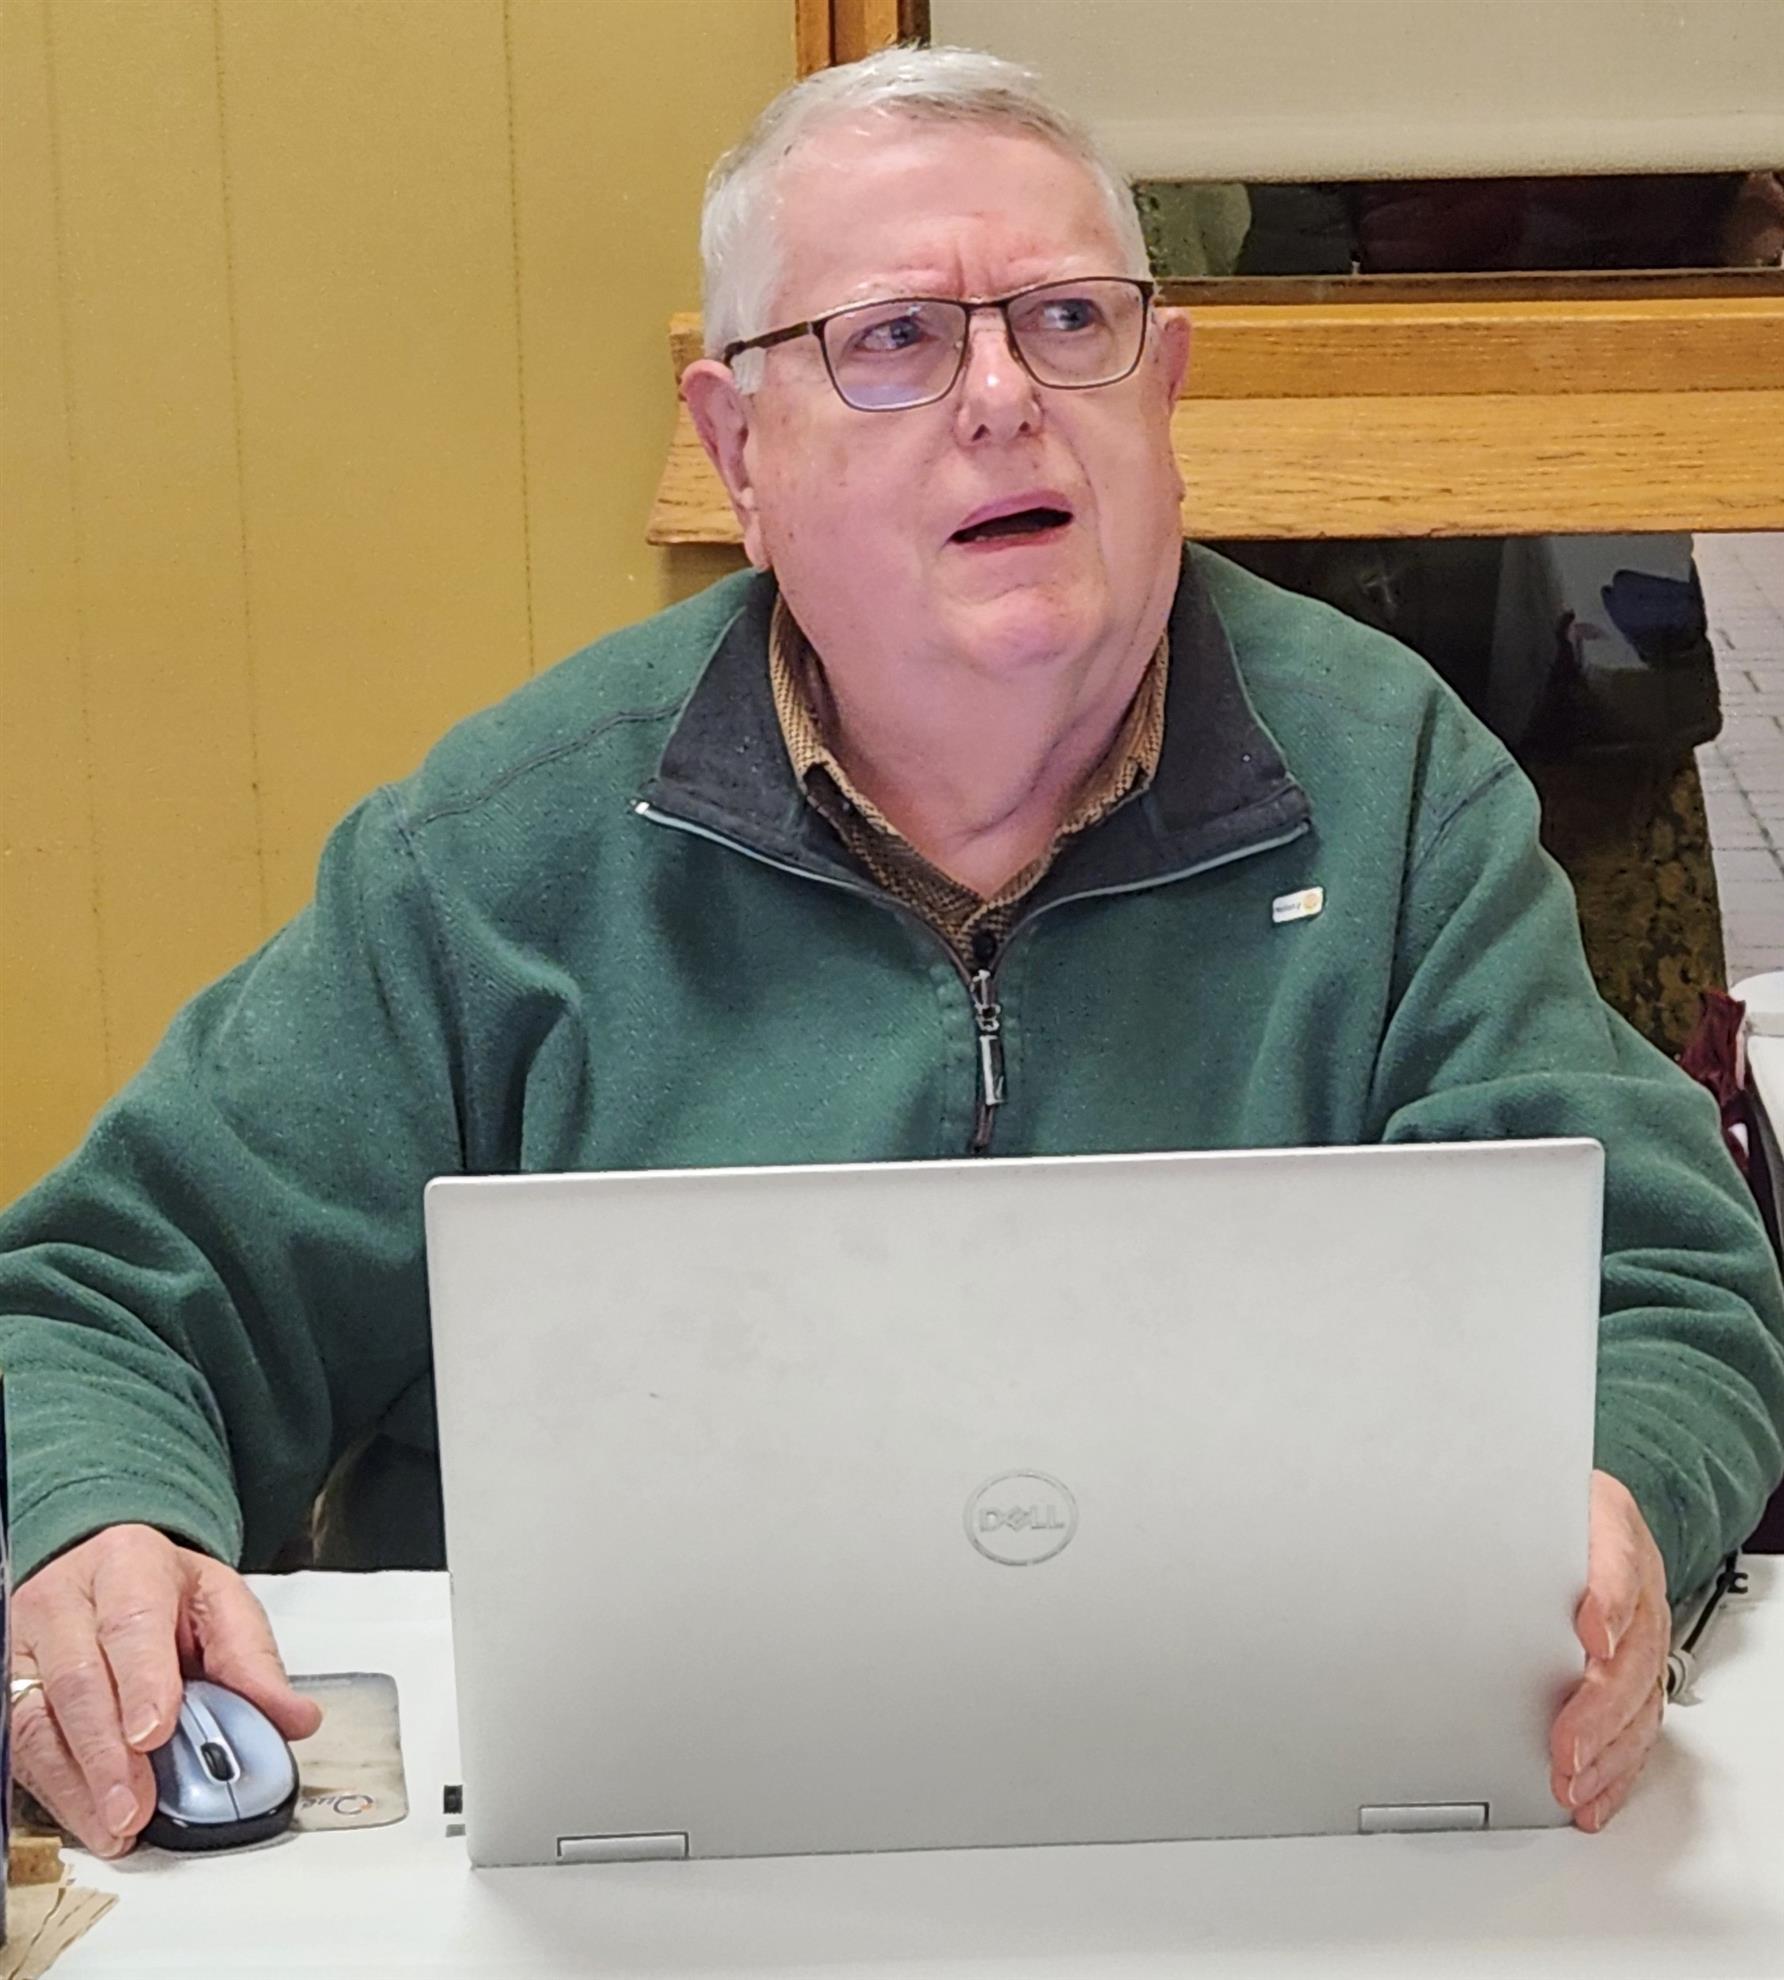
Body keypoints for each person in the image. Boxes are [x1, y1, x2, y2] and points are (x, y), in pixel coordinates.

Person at [2, 45, 1781, 1862]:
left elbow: (1661, 1285)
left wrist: (1621, 1494)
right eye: (896, 340)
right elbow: (99, 1301)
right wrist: (95, 1526)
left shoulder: (1390, 789)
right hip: (618, 1875)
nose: (1004, 399)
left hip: (1256, 1832)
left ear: (1165, 390)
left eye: (1070, 320)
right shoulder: (494, 859)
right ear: (737, 450)